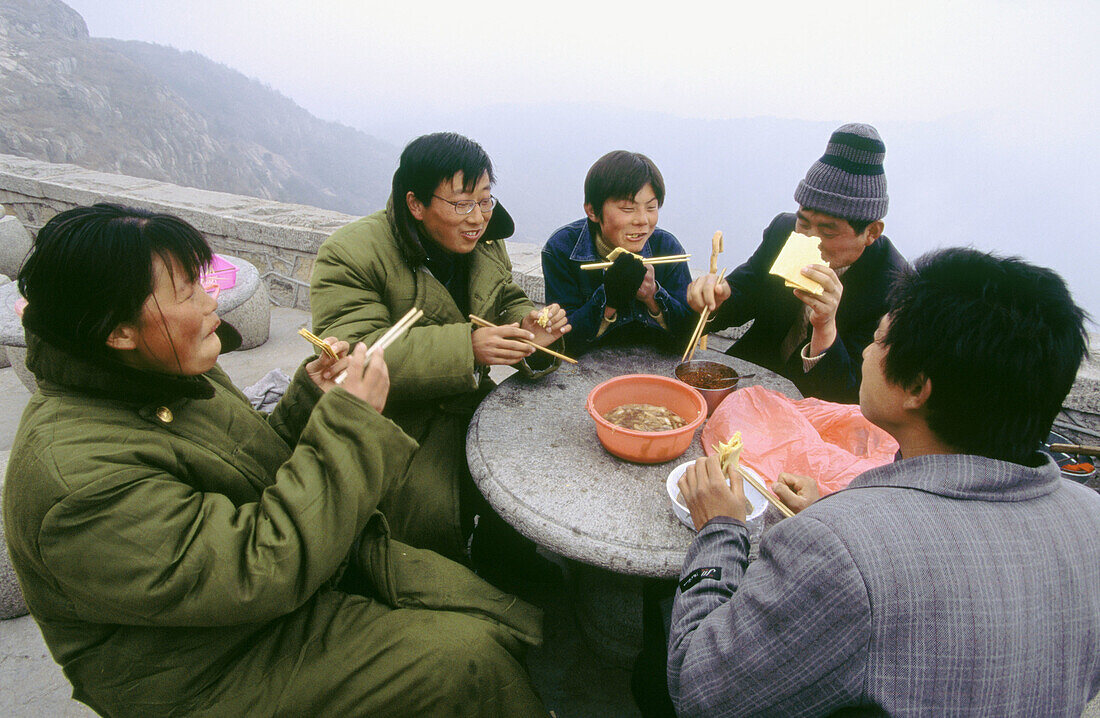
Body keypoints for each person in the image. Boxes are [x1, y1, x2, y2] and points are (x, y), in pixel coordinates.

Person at [2, 204, 546, 717]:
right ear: (118, 331)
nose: (211, 301)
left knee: (484, 606)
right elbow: (257, 569)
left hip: (267, 597)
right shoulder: (77, 480)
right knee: (466, 661)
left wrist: (312, 398)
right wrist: (352, 423)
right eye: (188, 291)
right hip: (205, 665)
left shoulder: (161, 372)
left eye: (204, 279)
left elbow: (246, 462)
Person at [669, 248, 1100, 716]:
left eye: (877, 340)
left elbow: (701, 690)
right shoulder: (1091, 521)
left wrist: (718, 530)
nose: (869, 353)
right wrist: (838, 510)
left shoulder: (838, 548)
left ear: (916, 388)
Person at [310, 131, 568, 570]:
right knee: (426, 519)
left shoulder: (484, 239)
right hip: (397, 420)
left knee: (536, 453)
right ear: (416, 204)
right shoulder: (351, 253)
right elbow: (355, 354)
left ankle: (503, 553)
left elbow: (503, 294)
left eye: (485, 200)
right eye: (462, 203)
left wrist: (529, 324)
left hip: (467, 400)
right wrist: (466, 348)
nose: (478, 217)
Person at [687, 123, 908, 403]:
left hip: (815, 409)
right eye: (804, 223)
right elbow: (747, 289)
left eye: (828, 231)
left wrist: (825, 327)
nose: (811, 240)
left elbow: (854, 395)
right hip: (749, 380)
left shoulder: (893, 289)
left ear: (871, 232)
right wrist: (717, 297)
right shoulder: (784, 231)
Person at [542, 150, 694, 356]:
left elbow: (687, 341)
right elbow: (563, 344)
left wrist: (652, 296)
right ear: (592, 211)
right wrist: (609, 300)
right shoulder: (562, 248)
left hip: (652, 370)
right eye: (628, 209)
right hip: (585, 371)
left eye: (651, 207)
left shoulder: (667, 248)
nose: (643, 220)